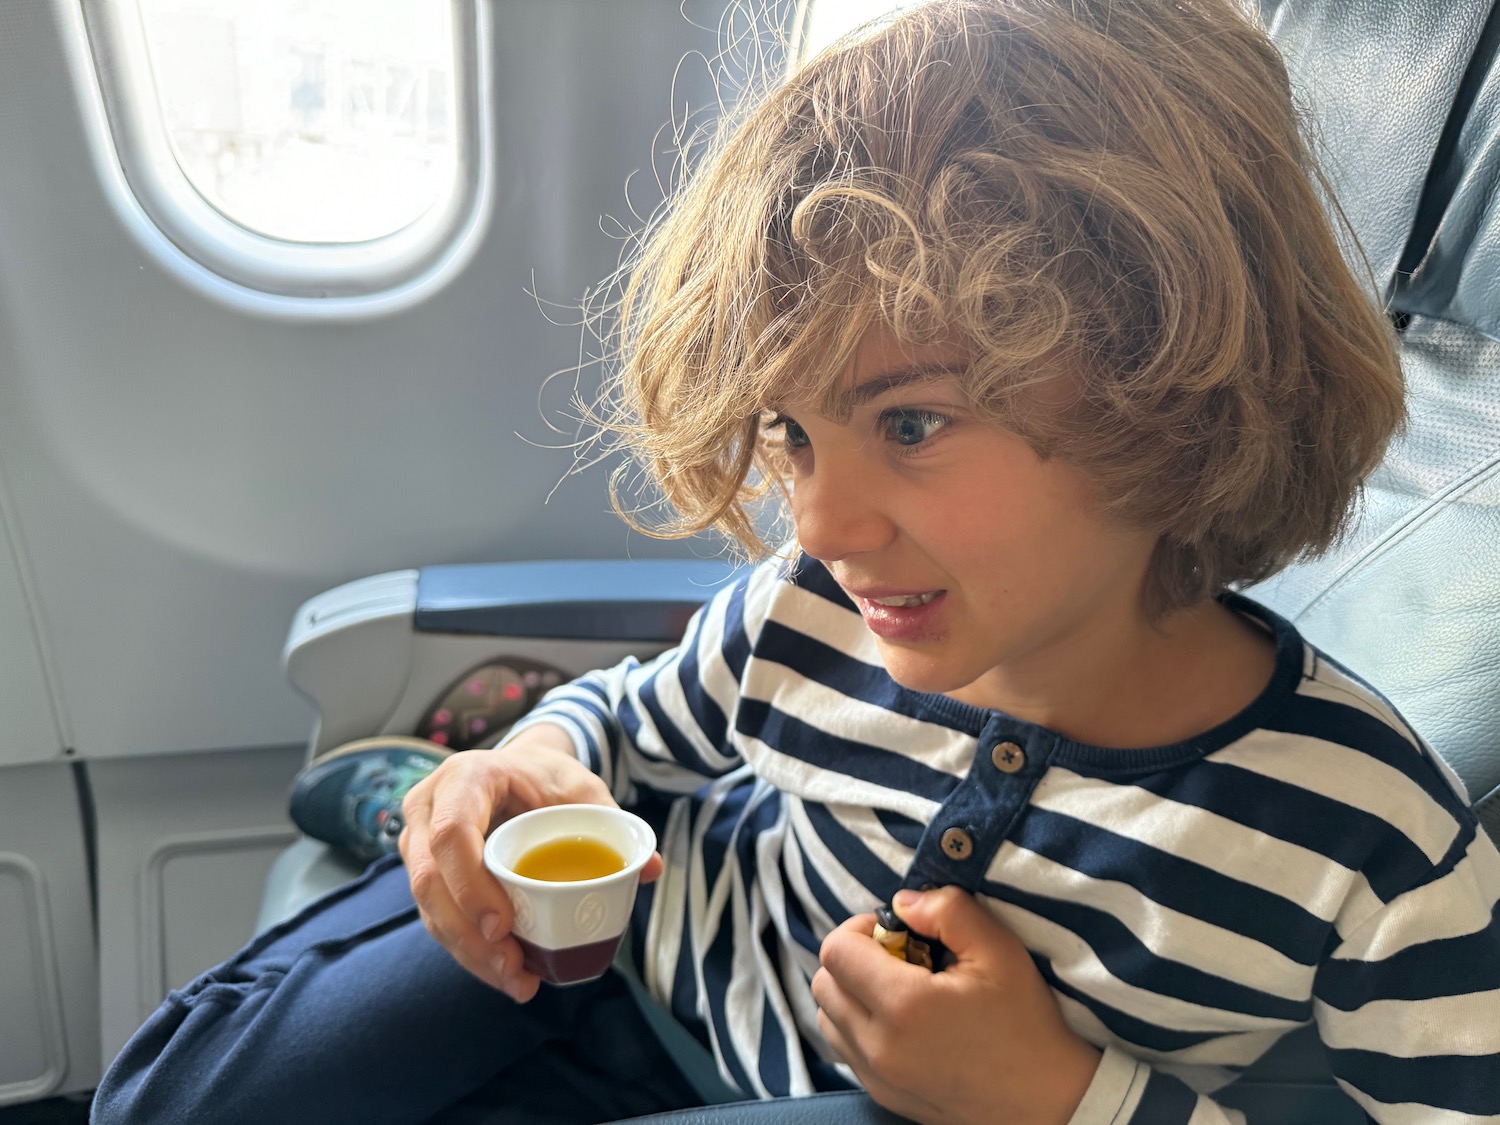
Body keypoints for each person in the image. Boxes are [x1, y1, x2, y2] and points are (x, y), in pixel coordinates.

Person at [92, 0, 1500, 1122]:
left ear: (1168, 386)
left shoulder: (1374, 840)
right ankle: (428, 773)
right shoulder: (818, 613)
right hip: (622, 947)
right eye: (792, 433)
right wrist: (525, 756)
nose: (819, 530)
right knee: (169, 1098)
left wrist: (1075, 1101)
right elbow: (635, 723)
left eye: (910, 420)